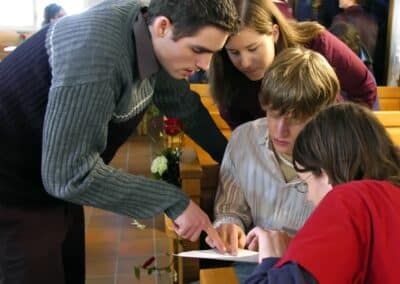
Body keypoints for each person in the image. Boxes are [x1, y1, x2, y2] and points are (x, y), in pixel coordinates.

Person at [0, 0, 240, 283]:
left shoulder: (156, 38)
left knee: (71, 266)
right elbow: (68, 175)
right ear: (163, 26)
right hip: (12, 183)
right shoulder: (97, 56)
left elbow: (183, 106)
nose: (204, 66)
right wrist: (174, 201)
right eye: (198, 50)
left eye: (212, 53)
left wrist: (235, 162)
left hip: (53, 172)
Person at [208, 47, 339, 282]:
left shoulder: (341, 158)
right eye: (273, 114)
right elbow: (230, 208)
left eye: (296, 119)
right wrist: (229, 224)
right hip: (254, 266)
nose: (280, 130)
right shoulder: (244, 139)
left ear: (322, 114)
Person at [245, 103, 400, 283]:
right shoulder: (387, 197)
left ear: (325, 173)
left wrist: (271, 261)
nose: (309, 197)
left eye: (306, 184)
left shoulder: (350, 199)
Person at [209, 0, 376, 130]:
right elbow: (243, 134)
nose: (244, 63)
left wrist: (341, 134)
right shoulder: (226, 74)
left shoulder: (317, 43)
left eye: (253, 48)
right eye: (234, 53)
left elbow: (364, 87)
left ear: (274, 33)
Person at [330, 0, 378, 69]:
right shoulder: (372, 21)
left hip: (348, 74)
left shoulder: (340, 20)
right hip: (366, 74)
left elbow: (333, 53)